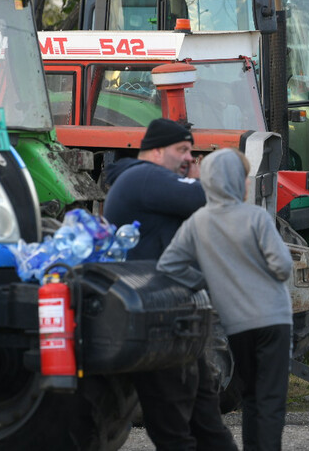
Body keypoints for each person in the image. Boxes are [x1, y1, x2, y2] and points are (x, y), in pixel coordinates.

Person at [103, 117, 237, 451]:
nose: (190, 157)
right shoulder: (144, 176)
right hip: (155, 321)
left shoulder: (146, 179)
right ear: (157, 151)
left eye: (191, 151)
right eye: (183, 150)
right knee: (173, 426)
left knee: (204, 421)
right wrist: (199, 180)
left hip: (173, 316)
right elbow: (213, 199)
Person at [158, 149, 293, 451]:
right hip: (272, 320)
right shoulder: (255, 217)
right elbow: (282, 266)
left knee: (251, 398)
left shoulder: (197, 223)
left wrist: (205, 282)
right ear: (236, 181)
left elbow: (168, 266)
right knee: (270, 399)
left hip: (236, 325)